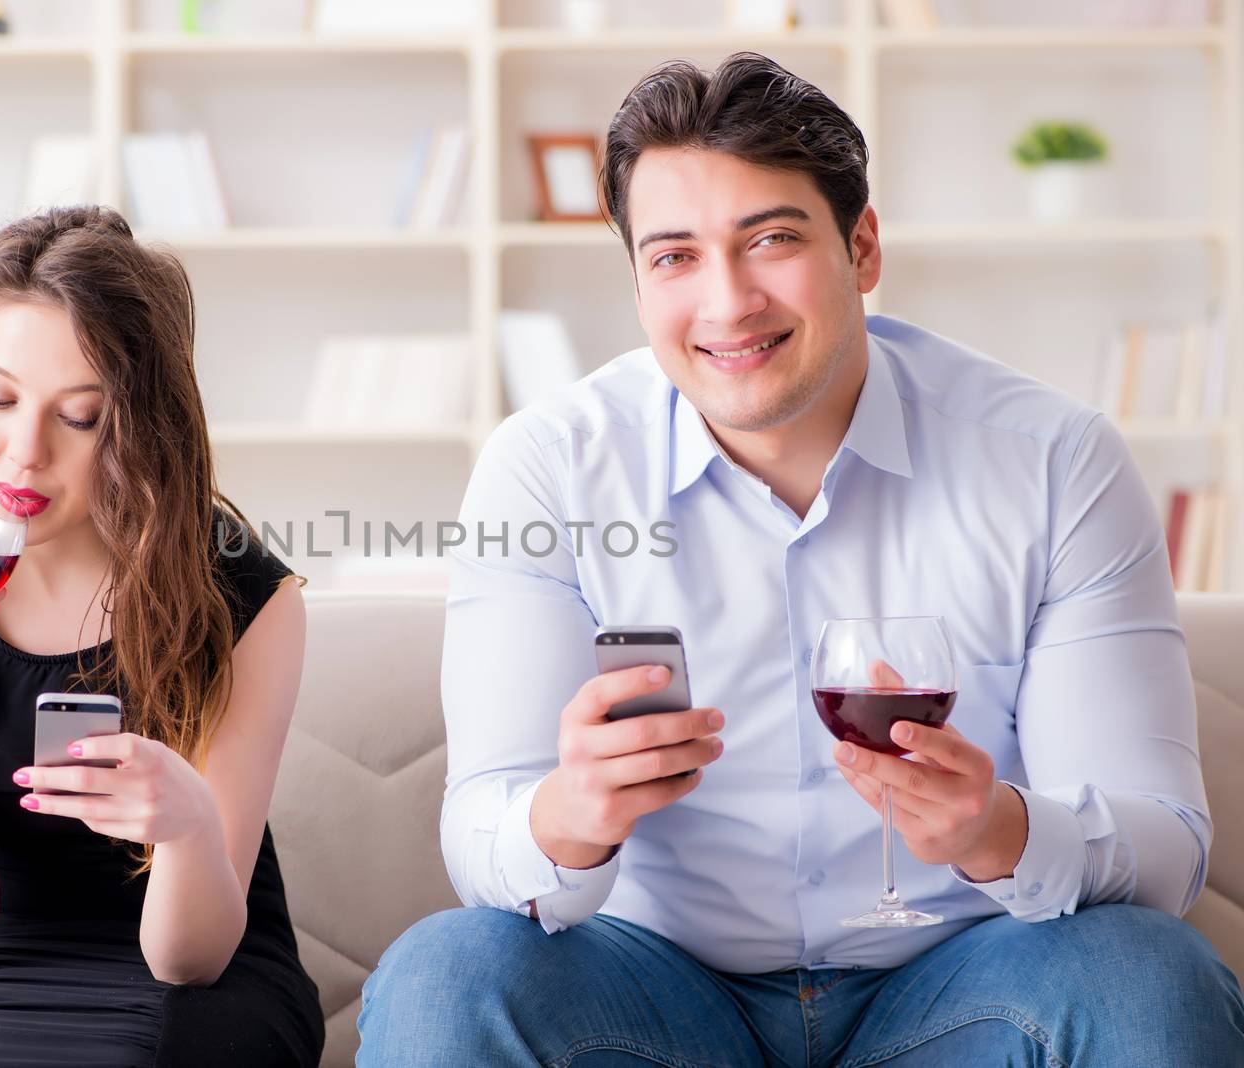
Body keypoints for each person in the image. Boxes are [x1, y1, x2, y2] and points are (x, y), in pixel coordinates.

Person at [358, 55, 1244, 1066]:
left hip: (965, 984)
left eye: (770, 240)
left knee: (1147, 976)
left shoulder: (1051, 463)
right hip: (650, 987)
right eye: (675, 257)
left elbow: (1165, 851)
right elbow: (483, 829)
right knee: (444, 975)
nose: (728, 303)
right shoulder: (549, 469)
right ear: (639, 279)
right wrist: (568, 818)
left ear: (861, 246)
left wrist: (996, 829)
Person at [0, 205, 323, 1066]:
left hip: (198, 971)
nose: (21, 453)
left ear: (141, 427)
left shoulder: (242, 601)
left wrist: (189, 828)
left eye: (79, 416)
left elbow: (189, 958)